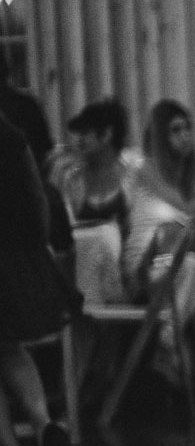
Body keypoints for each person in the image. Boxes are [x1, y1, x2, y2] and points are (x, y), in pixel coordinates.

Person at [0, 111, 78, 446]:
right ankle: (45, 424)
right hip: (18, 259)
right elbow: (37, 198)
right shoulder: (12, 134)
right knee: (8, 348)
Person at [127, 99, 195, 390]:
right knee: (194, 267)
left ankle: (168, 345)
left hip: (177, 263)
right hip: (144, 263)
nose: (184, 136)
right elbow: (184, 207)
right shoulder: (147, 169)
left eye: (187, 128)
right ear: (159, 137)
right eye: (174, 130)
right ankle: (171, 349)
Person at [50, 98, 135, 305]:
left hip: (128, 269)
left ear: (106, 135)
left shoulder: (132, 174)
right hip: (83, 268)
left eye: (84, 133)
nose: (77, 140)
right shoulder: (71, 177)